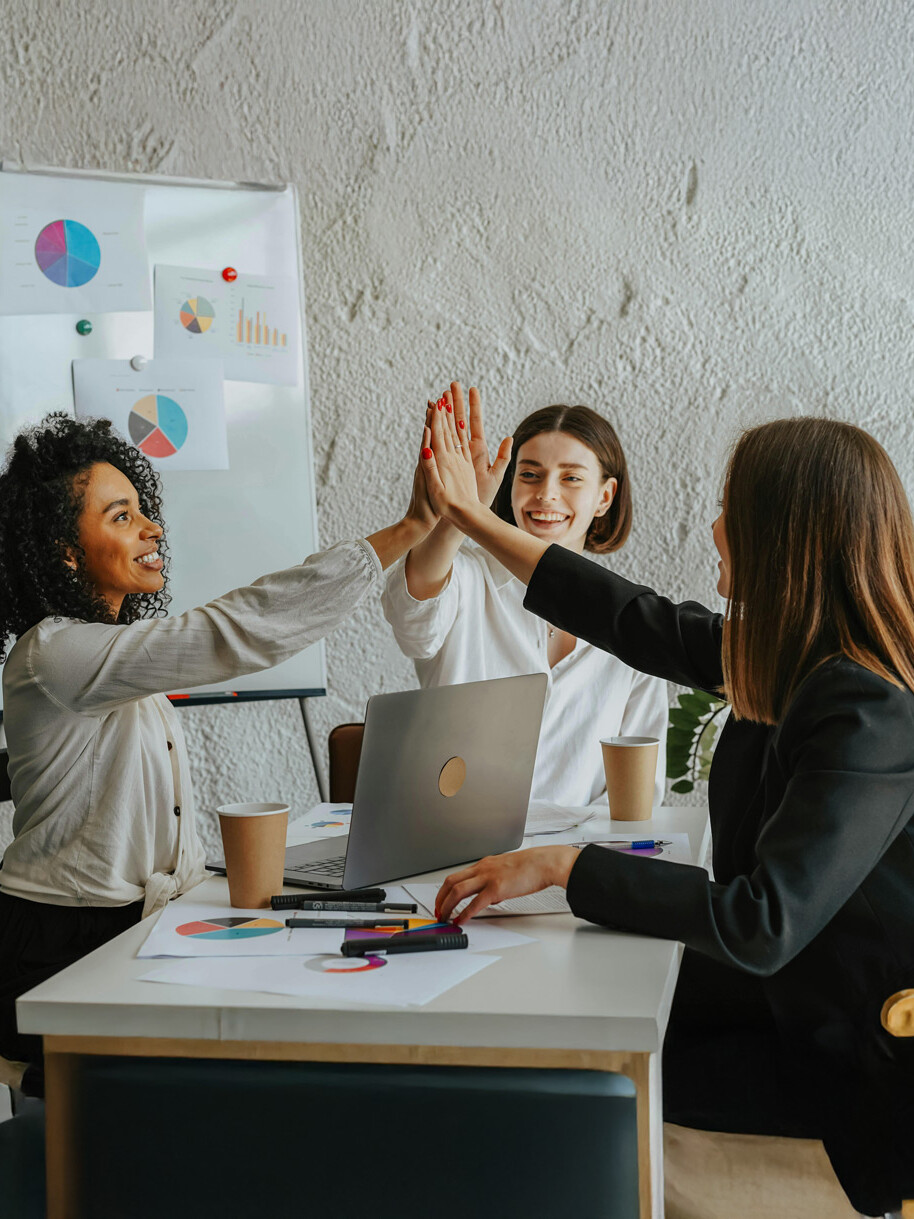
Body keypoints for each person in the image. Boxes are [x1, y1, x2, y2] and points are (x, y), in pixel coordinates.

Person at [422, 395, 914, 1216]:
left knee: (580, 1083)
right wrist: (472, 518)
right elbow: (625, 615)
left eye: (731, 511)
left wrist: (566, 865)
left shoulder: (867, 708)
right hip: (786, 1003)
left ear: (782, 537)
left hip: (850, 1053)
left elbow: (760, 923)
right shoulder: (787, 658)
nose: (715, 528)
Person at [0, 410, 438, 1098]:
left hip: (137, 924)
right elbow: (231, 632)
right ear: (62, 550)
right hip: (62, 941)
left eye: (144, 509)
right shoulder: (53, 653)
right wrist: (405, 531)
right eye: (121, 516)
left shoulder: (108, 655)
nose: (152, 528)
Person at [382, 383, 667, 808]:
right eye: (529, 474)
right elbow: (412, 615)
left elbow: (639, 793)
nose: (546, 493)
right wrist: (460, 511)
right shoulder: (465, 577)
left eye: (571, 478)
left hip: (573, 862)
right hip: (456, 852)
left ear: (604, 497)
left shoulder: (634, 620)